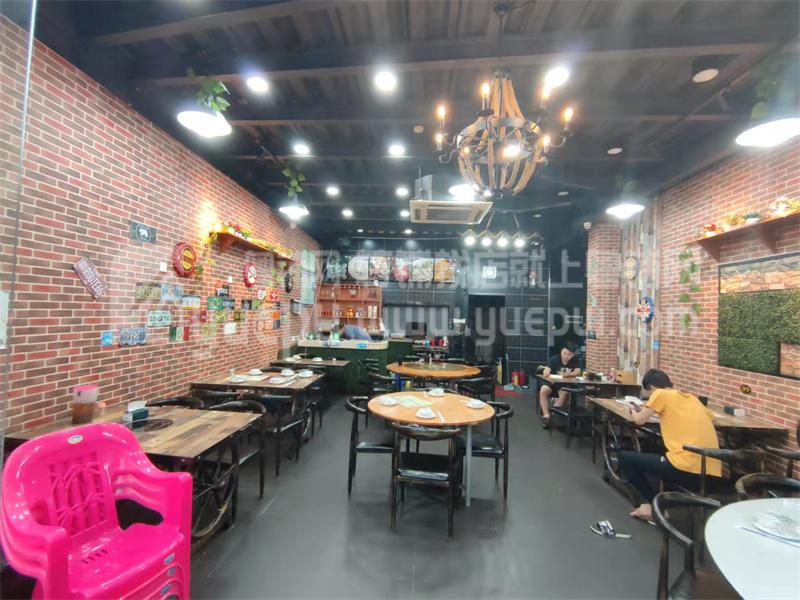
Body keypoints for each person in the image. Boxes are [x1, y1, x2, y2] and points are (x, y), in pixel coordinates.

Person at [619, 369, 721, 521]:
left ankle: (654, 507)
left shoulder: (660, 394)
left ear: (652, 388)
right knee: (661, 454)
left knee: (625, 458)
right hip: (711, 473)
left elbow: (639, 420)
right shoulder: (692, 398)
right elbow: (712, 419)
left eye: (649, 393)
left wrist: (632, 411)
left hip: (685, 468)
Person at [538, 342, 581, 428]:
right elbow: (547, 369)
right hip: (553, 384)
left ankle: (553, 416)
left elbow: (578, 372)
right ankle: (546, 416)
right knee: (543, 389)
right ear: (561, 351)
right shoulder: (554, 359)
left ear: (573, 355)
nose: (566, 356)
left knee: (564, 393)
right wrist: (546, 372)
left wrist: (566, 375)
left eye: (569, 355)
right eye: (564, 353)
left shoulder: (575, 360)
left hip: (566, 385)